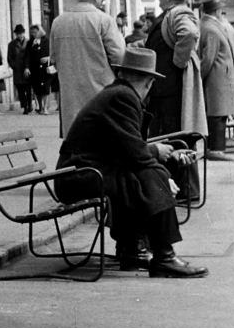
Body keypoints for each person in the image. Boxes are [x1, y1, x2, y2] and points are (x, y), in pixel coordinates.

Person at [56, 46, 207, 278]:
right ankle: (164, 257)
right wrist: (162, 169)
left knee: (142, 176)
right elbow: (135, 153)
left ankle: (134, 249)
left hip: (83, 171)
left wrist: (159, 157)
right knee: (149, 176)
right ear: (149, 83)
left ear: (123, 74)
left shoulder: (118, 93)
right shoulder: (123, 97)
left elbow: (128, 149)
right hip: (79, 175)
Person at [49, 0, 126, 136]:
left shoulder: (58, 22)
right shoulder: (104, 20)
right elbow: (119, 57)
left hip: (70, 100)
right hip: (101, 95)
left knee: (76, 145)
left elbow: (54, 59)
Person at [140, 0, 205, 140]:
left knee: (172, 138)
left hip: (170, 88)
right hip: (164, 88)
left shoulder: (178, 13)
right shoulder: (171, 14)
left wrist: (179, 61)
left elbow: (189, 33)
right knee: (169, 138)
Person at [197, 0, 234, 162]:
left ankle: (217, 147)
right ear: (216, 11)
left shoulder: (210, 26)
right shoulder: (211, 28)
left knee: (220, 113)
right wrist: (199, 78)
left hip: (219, 77)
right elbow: (208, 58)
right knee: (217, 113)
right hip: (217, 79)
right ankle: (216, 149)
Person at [25, 23, 51, 115]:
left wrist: (48, 59)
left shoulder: (47, 41)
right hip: (34, 68)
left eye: (35, 32)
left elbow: (53, 53)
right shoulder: (30, 43)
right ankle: (40, 106)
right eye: (32, 33)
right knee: (37, 88)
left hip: (45, 69)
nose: (33, 34)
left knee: (45, 88)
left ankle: (45, 107)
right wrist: (27, 68)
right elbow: (27, 56)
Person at [7, 24, 32, 114]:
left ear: (24, 33)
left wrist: (29, 67)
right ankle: (24, 106)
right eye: (18, 34)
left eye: (21, 33)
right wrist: (13, 65)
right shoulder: (12, 44)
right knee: (20, 90)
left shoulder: (29, 42)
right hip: (17, 70)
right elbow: (9, 58)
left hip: (27, 69)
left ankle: (29, 104)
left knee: (28, 89)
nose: (19, 35)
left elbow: (31, 55)